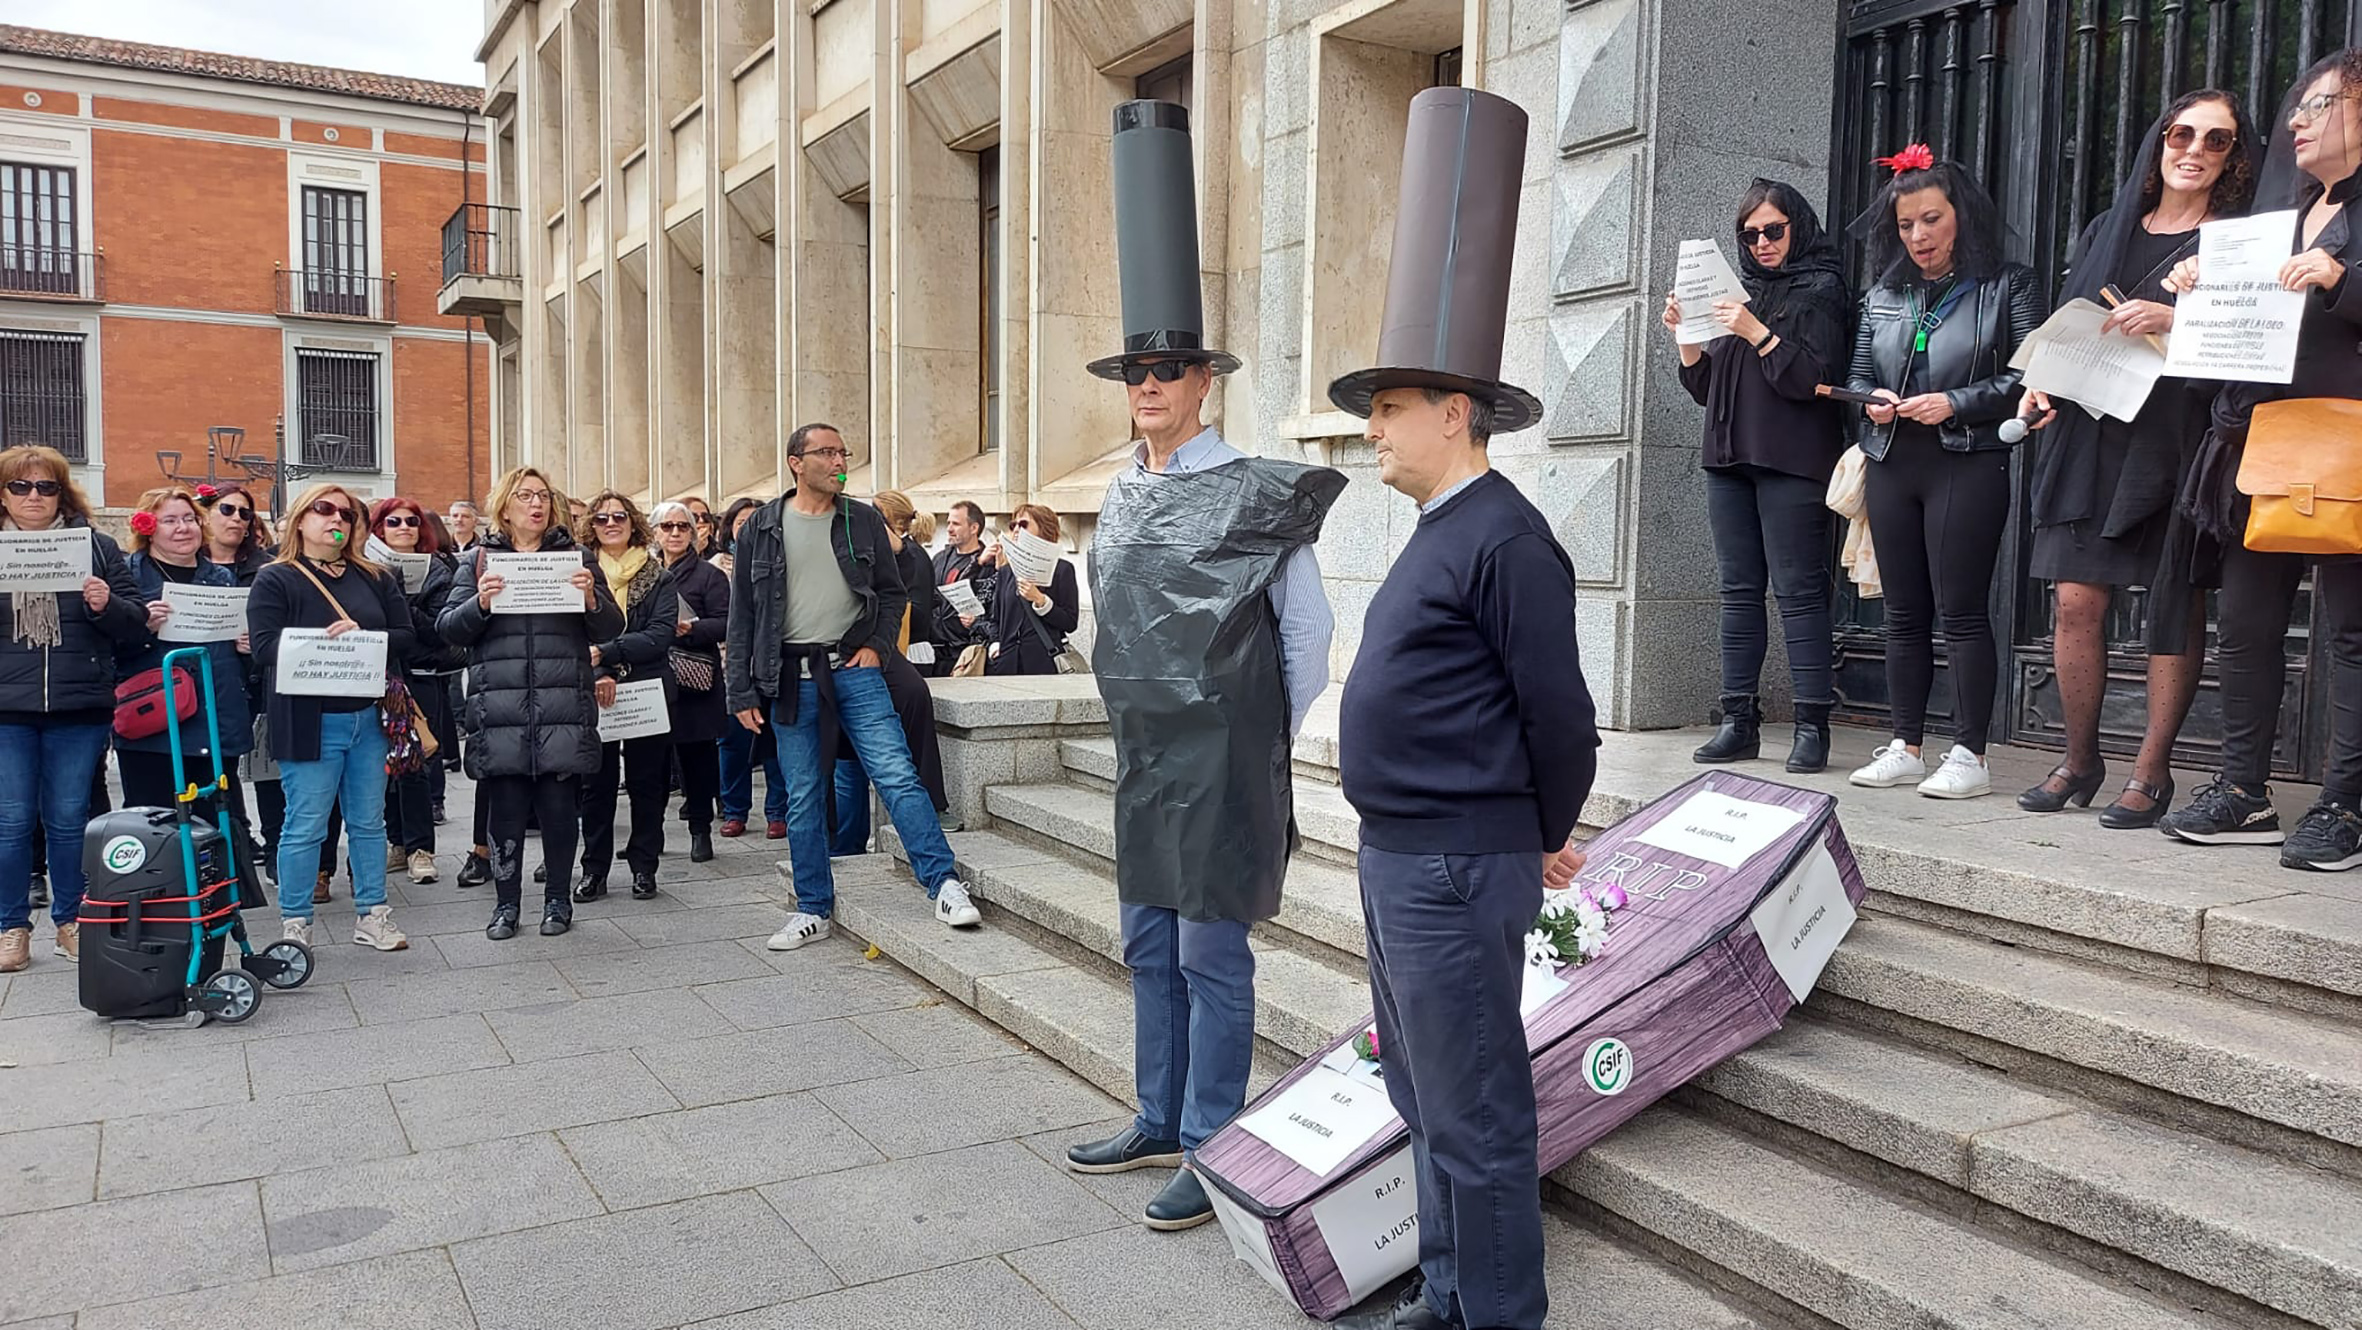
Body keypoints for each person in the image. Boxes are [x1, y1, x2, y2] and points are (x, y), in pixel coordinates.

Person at [1326, 89, 1595, 1330]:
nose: (1371, 428)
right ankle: (1443, 1294)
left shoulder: (1507, 538)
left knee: (1477, 1112)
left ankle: (1496, 1315)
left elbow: (1560, 713)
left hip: (1455, 861)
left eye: (1387, 407)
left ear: (1454, 412)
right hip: (1402, 855)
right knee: (1424, 1102)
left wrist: (1541, 829)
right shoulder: (1440, 529)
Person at [1060, 99, 1341, 1235]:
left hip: (1224, 760)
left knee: (1212, 954)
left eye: (1169, 370)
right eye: (1136, 371)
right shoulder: (1122, 493)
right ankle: (1157, 1112)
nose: (1150, 386)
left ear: (1204, 384)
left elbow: (1309, 635)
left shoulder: (1258, 493)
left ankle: (1215, 1140)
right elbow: (1100, 615)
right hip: (1145, 757)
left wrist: (1258, 727)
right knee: (1145, 941)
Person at [2017, 91, 2258, 823]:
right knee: (2074, 601)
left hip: (2179, 437)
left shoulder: (2238, 241)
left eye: (2216, 141)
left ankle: (2151, 774)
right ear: (2159, 142)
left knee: (2173, 604)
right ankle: (2079, 761)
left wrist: (2175, 319)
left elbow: (2252, 345)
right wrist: (2040, 386)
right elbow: (2072, 319)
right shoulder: (2107, 228)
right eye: (2181, 133)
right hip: (2092, 430)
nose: (2194, 149)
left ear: (2234, 158)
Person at [2160, 50, 2362, 867]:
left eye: (2321, 105)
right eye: (2298, 107)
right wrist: (2197, 301)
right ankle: (2244, 791)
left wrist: (2343, 278)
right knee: (2246, 626)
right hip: (2262, 441)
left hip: (2347, 441)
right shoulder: (2279, 216)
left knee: (2352, 632)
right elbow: (2232, 349)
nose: (2297, 122)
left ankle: (2346, 805)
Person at [724, 422, 976, 951]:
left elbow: (892, 593)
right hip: (789, 676)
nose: (839, 461)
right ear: (796, 462)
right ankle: (812, 906)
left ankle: (944, 882)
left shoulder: (860, 518)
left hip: (853, 669)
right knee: (802, 794)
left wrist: (877, 648)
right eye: (826, 452)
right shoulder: (763, 527)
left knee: (897, 775)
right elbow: (743, 614)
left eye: (844, 452)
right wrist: (741, 691)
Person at [1843, 144, 2043, 799]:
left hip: (1968, 460)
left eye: (1931, 219)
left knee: (1960, 611)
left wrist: (1954, 402)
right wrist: (1869, 402)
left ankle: (1971, 754)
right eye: (1906, 225)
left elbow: (2027, 375)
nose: (1919, 236)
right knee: (1902, 613)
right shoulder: (1883, 294)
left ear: (1960, 215)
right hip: (1893, 460)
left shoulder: (2007, 283)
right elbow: (1858, 375)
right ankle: (1905, 744)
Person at [1666, 179, 1850, 772]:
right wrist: (1688, 339)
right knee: (1738, 592)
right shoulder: (1739, 292)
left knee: (1799, 592)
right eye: (1750, 234)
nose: (1763, 242)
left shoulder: (1821, 290)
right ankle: (1737, 721)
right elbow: (1705, 389)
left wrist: (1756, 332)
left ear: (1797, 226)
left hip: (1792, 460)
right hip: (1728, 460)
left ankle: (1811, 727)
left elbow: (1813, 380)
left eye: (1774, 230)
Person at [439, 468, 624, 936]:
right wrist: (479, 604)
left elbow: (610, 629)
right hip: (500, 708)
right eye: (525, 496)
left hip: (560, 703)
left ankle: (558, 901)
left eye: (543, 497)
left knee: (560, 809)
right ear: (505, 506)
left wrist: (591, 600)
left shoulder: (576, 557)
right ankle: (506, 905)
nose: (536, 505)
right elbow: (448, 628)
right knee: (505, 810)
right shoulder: (479, 561)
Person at [247, 482, 413, 953]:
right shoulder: (276, 578)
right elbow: (263, 649)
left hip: (367, 718)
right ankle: (296, 921)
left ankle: (373, 912)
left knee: (369, 822)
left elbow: (407, 635)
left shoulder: (376, 576)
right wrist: (322, 641)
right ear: (301, 519)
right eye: (324, 510)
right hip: (308, 719)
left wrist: (366, 635)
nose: (336, 519)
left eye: (347, 513)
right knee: (306, 823)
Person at [0, 446, 146, 973]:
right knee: (11, 822)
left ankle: (70, 921)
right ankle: (11, 927)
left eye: (46, 487)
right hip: (6, 710)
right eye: (21, 487)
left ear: (63, 493)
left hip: (77, 704)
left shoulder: (98, 548)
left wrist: (106, 605)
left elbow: (134, 625)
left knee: (68, 820)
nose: (34, 497)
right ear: (3, 494)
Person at [115, 486, 254, 815]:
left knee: (215, 821)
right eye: (170, 520)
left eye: (190, 519)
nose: (183, 528)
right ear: (148, 528)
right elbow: (107, 647)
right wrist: (142, 627)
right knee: (154, 822)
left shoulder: (221, 578)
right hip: (153, 723)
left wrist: (245, 647)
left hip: (215, 717)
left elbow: (234, 652)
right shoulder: (127, 576)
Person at [828, 489, 952, 854]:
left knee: (912, 697)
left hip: (881, 645)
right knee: (842, 757)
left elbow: (898, 598)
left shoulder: (907, 553)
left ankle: (930, 802)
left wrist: (893, 548)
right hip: (835, 648)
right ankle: (843, 842)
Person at [573, 491, 679, 902]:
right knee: (595, 787)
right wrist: (598, 669)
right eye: (601, 518)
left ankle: (644, 866)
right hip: (593, 689)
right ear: (591, 527)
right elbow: (572, 634)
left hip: (646, 689)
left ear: (634, 523)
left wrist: (608, 652)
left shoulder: (658, 576)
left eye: (619, 516)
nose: (611, 523)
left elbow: (660, 635)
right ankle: (594, 870)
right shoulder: (579, 572)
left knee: (647, 785)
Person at [370, 497, 460, 882]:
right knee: (382, 764)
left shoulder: (438, 570)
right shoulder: (363, 571)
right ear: (379, 529)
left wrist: (401, 601)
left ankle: (421, 847)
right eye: (394, 521)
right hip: (378, 673)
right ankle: (396, 841)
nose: (404, 527)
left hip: (421, 675)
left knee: (416, 762)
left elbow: (441, 631)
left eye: (411, 521)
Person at [653, 500, 728, 862]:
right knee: (650, 765)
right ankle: (648, 835)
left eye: (683, 526)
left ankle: (701, 830)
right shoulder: (644, 573)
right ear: (655, 532)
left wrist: (693, 628)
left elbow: (727, 622)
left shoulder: (709, 576)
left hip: (694, 679)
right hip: (652, 675)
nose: (675, 533)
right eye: (667, 527)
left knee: (698, 761)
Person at [715, 495, 785, 837]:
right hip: (731, 665)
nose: (751, 529)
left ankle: (777, 811)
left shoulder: (781, 562)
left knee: (773, 742)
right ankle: (735, 809)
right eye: (743, 523)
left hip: (773, 665)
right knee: (733, 743)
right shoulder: (717, 567)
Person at [982, 505, 1081, 676]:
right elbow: (995, 618)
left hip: (1043, 663)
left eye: (1024, 524)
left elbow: (1070, 622)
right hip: (1007, 664)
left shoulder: (1062, 569)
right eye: (1013, 525)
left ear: (1044, 528)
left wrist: (1041, 601)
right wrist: (995, 645)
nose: (1017, 530)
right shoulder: (1006, 571)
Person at [931, 500, 995, 671]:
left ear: (974, 528)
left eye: (956, 524)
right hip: (936, 651)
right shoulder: (940, 559)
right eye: (948, 523)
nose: (949, 529)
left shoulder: (990, 564)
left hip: (968, 653)